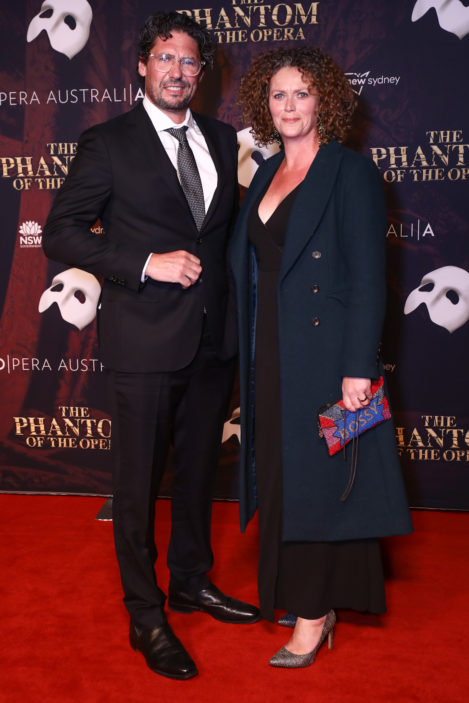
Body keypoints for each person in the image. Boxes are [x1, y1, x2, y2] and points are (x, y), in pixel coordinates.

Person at [43, 11, 259, 681]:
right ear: (142, 65)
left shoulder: (220, 138)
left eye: (189, 61)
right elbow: (61, 232)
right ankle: (146, 613)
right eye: (165, 58)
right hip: (142, 338)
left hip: (212, 338)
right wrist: (144, 262)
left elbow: (224, 236)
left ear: (202, 72)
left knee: (198, 473)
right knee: (137, 487)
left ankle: (191, 580)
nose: (177, 71)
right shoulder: (107, 142)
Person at [230, 47, 413, 668]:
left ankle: (313, 614)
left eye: (301, 94)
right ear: (265, 104)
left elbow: (367, 276)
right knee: (281, 473)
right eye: (278, 95)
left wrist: (359, 365)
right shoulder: (264, 172)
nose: (289, 106)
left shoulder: (348, 171)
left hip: (326, 350)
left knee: (317, 478)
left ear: (323, 101)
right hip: (269, 347)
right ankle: (295, 591)